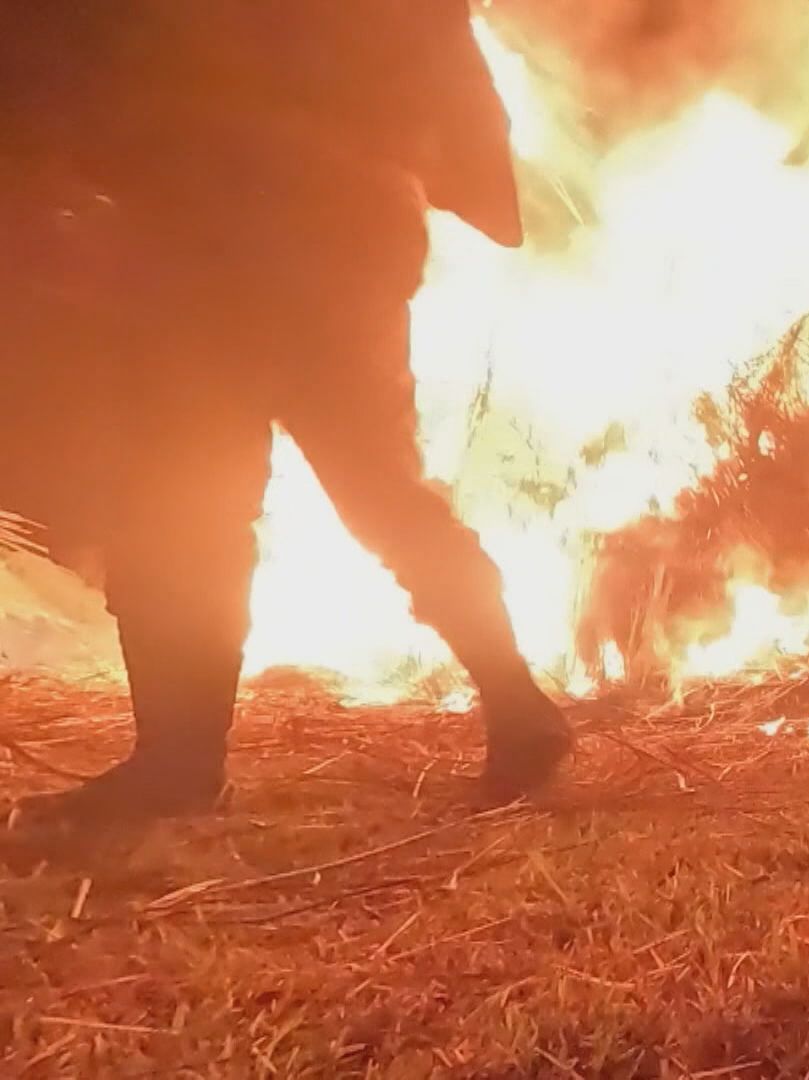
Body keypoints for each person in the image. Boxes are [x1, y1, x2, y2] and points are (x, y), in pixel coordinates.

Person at [1, 2, 571, 825]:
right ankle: (517, 707)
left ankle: (180, 765)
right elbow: (449, 76)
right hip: (337, 233)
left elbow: (118, 69)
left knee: (186, 510)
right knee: (377, 495)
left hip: (229, 232)